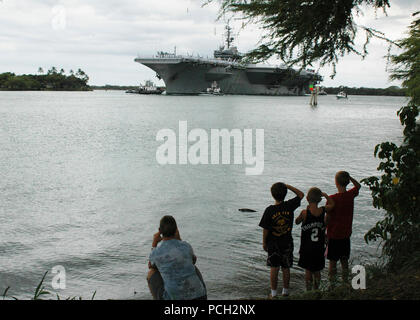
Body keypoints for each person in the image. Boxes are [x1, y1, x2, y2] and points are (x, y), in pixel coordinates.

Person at [259, 182, 304, 298]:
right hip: (287, 242)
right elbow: (301, 194)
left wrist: (264, 242)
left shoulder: (269, 210)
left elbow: (266, 229)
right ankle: (285, 291)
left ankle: (273, 293)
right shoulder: (289, 206)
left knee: (274, 268)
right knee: (286, 268)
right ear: (285, 194)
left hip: (273, 243)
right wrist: (287, 186)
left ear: (272, 195)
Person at [147, 215, 207, 300]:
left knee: (151, 273)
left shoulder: (156, 252)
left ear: (160, 231)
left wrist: (154, 243)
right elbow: (193, 260)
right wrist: (179, 239)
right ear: (176, 230)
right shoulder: (186, 246)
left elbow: (150, 265)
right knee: (192, 266)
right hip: (201, 296)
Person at [295, 187, 335, 291]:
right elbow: (332, 205)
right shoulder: (323, 210)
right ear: (320, 200)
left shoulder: (304, 213)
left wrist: (300, 217)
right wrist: (326, 195)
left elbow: (297, 221)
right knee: (317, 271)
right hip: (319, 247)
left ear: (307, 198)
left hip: (306, 247)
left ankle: (309, 291)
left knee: (308, 270)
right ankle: (316, 289)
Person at [326, 171, 361, 282]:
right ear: (347, 182)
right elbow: (358, 186)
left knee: (332, 262)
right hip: (346, 235)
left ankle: (332, 285)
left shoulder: (332, 199)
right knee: (344, 261)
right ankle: (345, 282)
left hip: (333, 235)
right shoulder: (350, 195)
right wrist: (349, 177)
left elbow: (327, 218)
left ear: (336, 183)